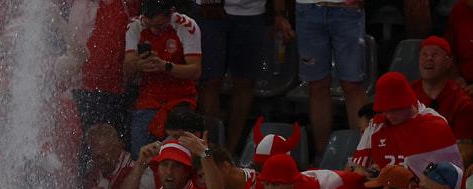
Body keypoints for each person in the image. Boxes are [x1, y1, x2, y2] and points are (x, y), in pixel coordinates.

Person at [280, 0, 366, 155]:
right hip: (308, 9)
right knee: (318, 85)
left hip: (347, 8)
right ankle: (323, 157)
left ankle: (362, 156)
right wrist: (280, 13)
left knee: (352, 85)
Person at [123, 0, 202, 156]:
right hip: (148, 101)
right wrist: (138, 65)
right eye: (149, 25)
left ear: (171, 12)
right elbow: (127, 72)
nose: (154, 30)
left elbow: (196, 71)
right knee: (140, 154)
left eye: (159, 26)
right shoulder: (135, 26)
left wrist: (165, 66)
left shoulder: (186, 26)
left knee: (178, 154)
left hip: (180, 100)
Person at [352, 72, 462, 177]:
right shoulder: (376, 125)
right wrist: (365, 172)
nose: (389, 115)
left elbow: (452, 177)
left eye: (394, 110)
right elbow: (357, 168)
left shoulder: (435, 125)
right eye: (385, 110)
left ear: (408, 102)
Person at [193, 0, 264, 153]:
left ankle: (229, 152)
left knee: (244, 82)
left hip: (250, 11)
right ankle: (210, 149)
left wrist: (280, 13)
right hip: (208, 10)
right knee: (209, 81)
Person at [412, 36, 473, 168]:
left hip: (441, 171)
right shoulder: (406, 94)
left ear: (448, 63)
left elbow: (466, 151)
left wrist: (435, 172)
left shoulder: (463, 103)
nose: (429, 58)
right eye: (424, 54)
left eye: (435, 55)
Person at [68, 0, 136, 129]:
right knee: (91, 134)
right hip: (87, 86)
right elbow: (74, 45)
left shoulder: (126, 5)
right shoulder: (83, 5)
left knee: (114, 134)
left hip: (117, 86)